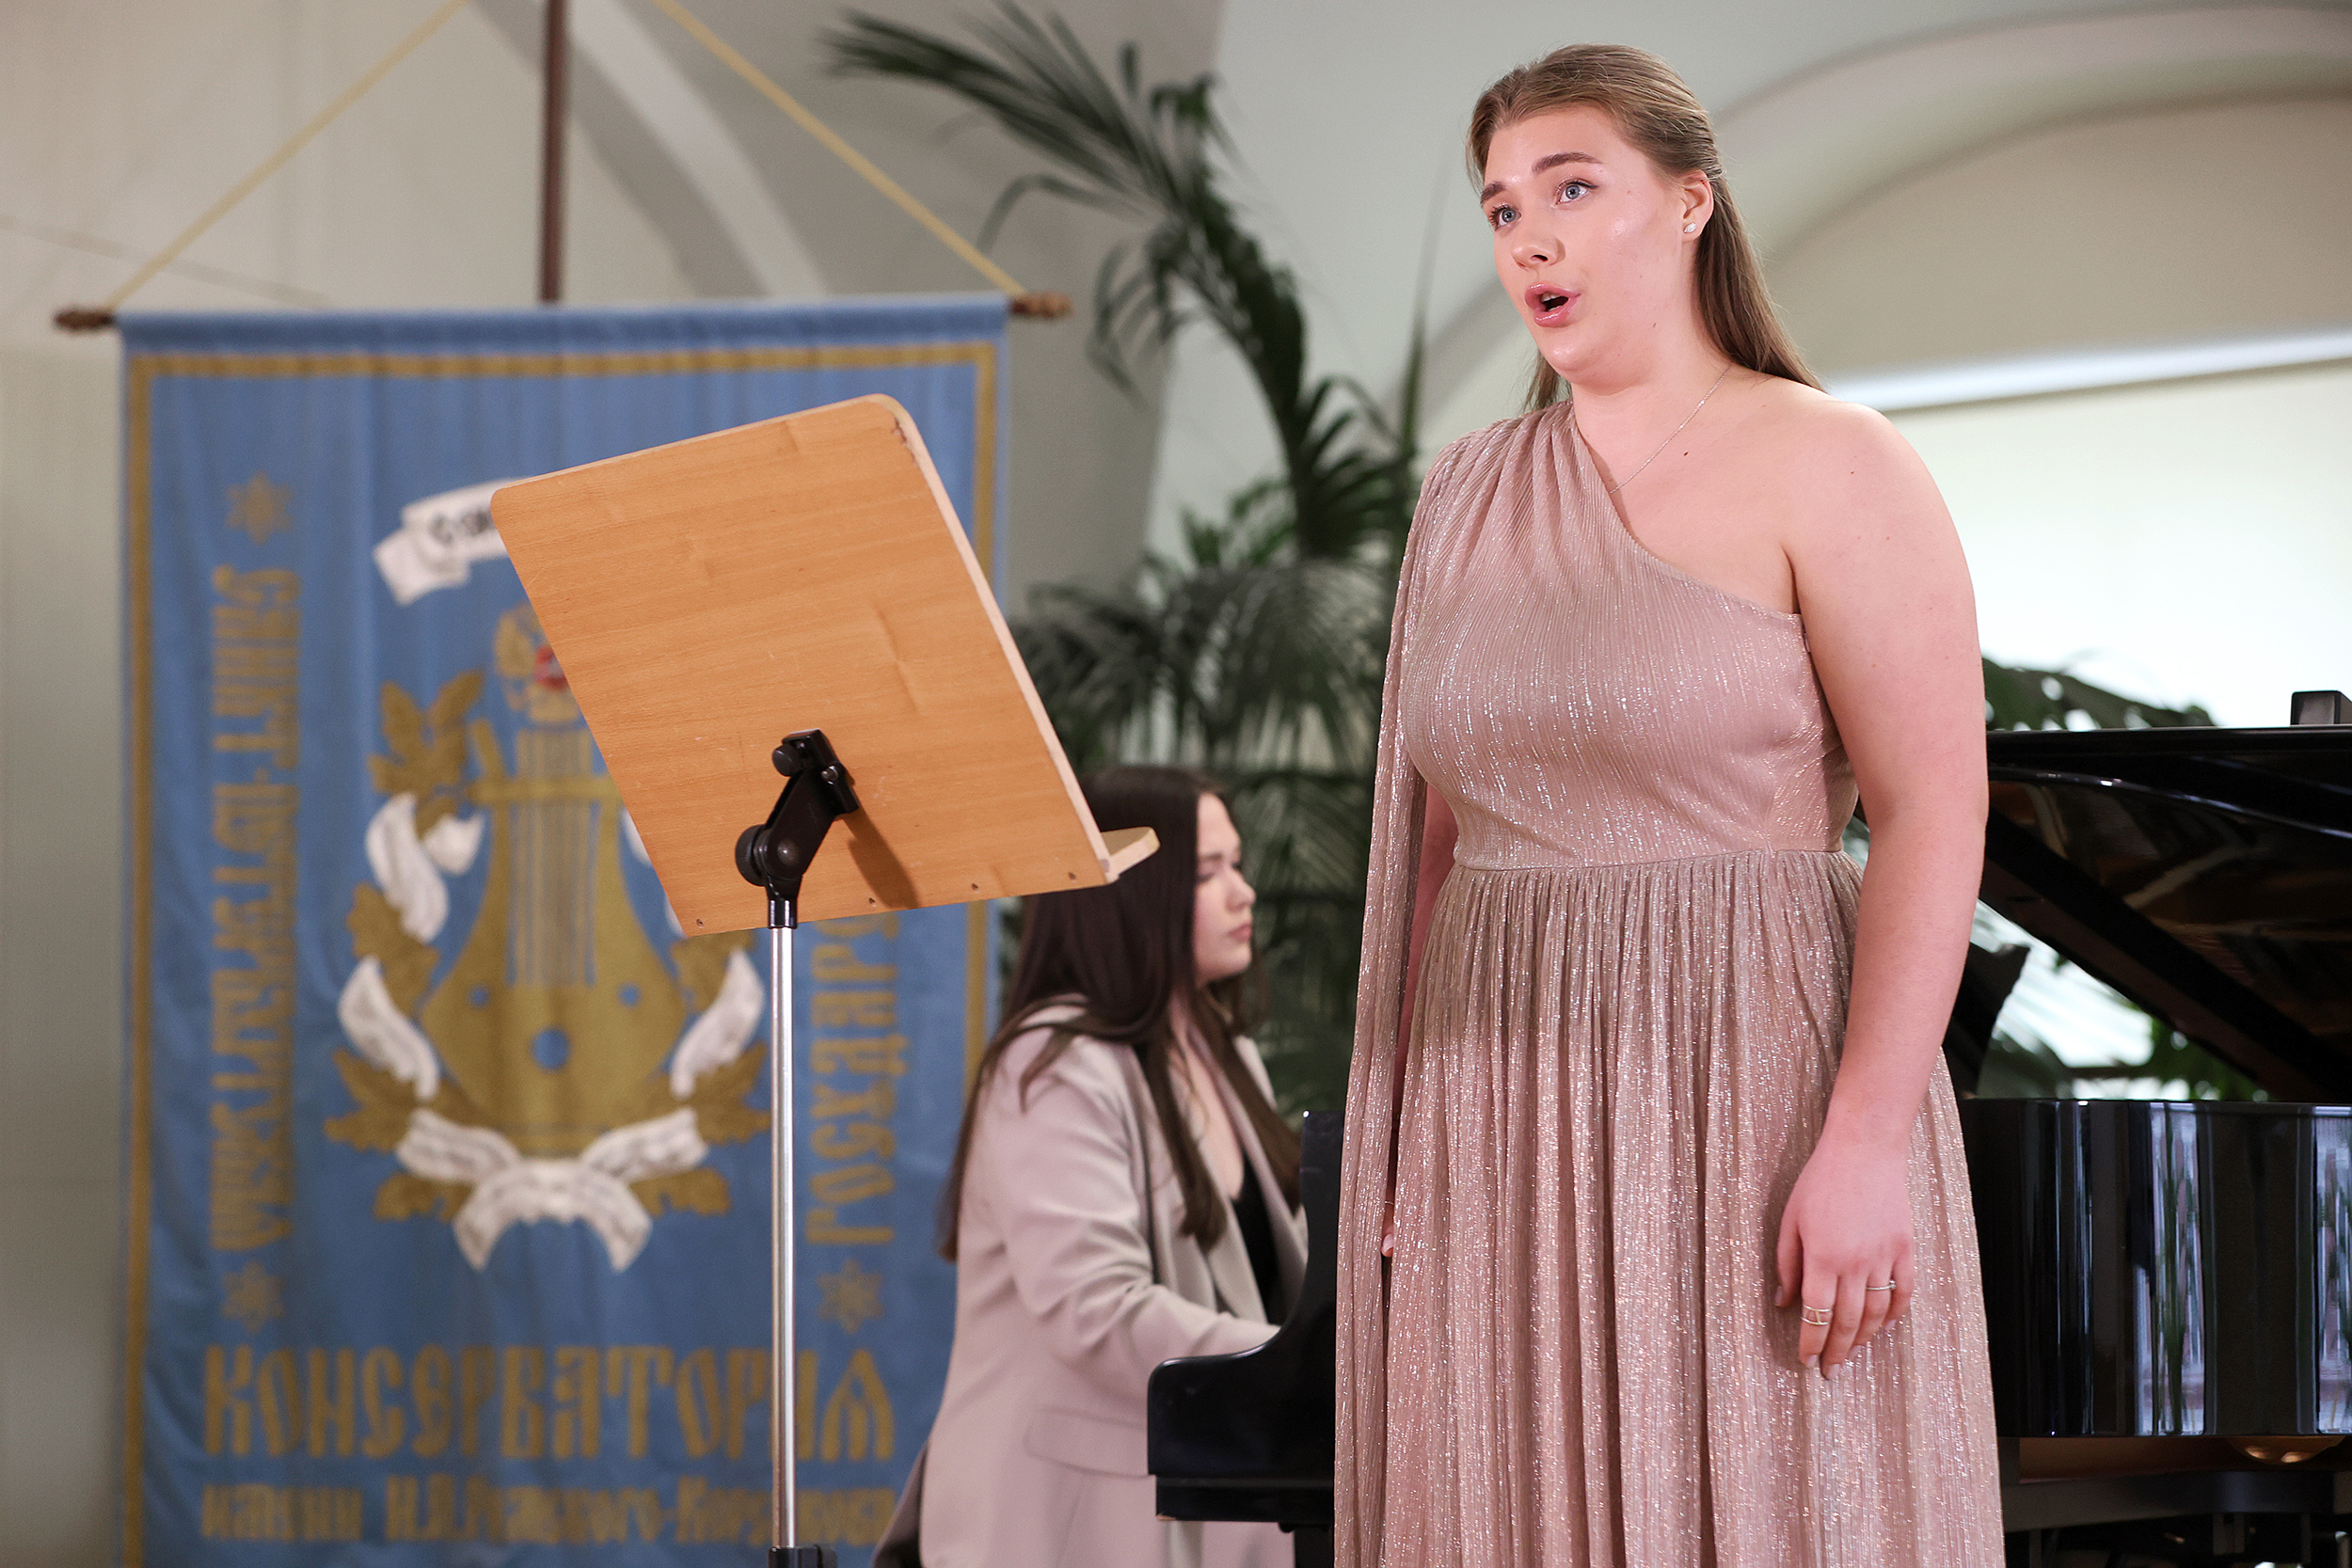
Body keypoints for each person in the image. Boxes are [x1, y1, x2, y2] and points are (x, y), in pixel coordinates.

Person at [1333, 43, 2004, 1566]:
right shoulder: (1466, 491)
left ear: (1693, 201)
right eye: (1504, 209)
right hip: (1497, 1118)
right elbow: (1432, 846)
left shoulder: (1834, 460)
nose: (1532, 238)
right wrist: (1401, 1142)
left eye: (1573, 188)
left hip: (1753, 1086)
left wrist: (1866, 1139)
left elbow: (1931, 808)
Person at [881, 766, 1306, 1568]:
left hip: (1205, 1485)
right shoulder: (1055, 1061)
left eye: (1237, 864)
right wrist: (1293, 1366)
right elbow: (1096, 1309)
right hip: (1067, 1515)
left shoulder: (1227, 1050)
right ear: (1128, 894)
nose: (1244, 892)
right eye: (1208, 872)